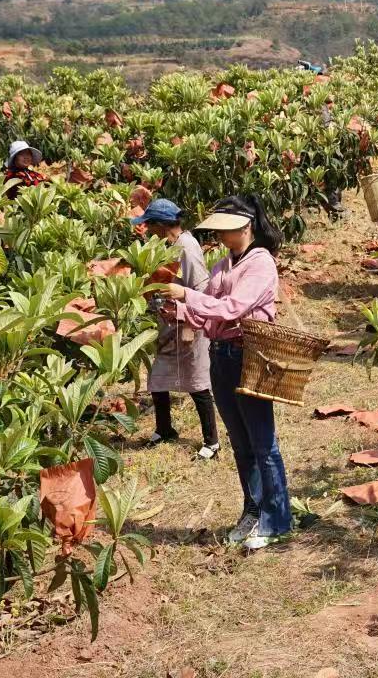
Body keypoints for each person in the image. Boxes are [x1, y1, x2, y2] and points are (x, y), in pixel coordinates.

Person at [161, 195, 292, 550]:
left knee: (262, 442)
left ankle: (277, 518)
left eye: (224, 229)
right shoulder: (222, 264)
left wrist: (186, 295)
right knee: (239, 440)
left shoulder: (261, 263)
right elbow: (211, 316)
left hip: (249, 355)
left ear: (245, 226)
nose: (219, 236)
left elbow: (233, 307)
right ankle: (253, 509)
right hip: (220, 356)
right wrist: (177, 312)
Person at [132, 198, 220, 459]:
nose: (146, 229)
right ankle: (164, 429)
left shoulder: (187, 248)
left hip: (189, 323)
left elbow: (201, 289)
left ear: (162, 225)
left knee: (197, 382)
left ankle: (212, 442)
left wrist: (189, 317)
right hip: (169, 323)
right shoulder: (166, 245)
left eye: (149, 224)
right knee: (158, 378)